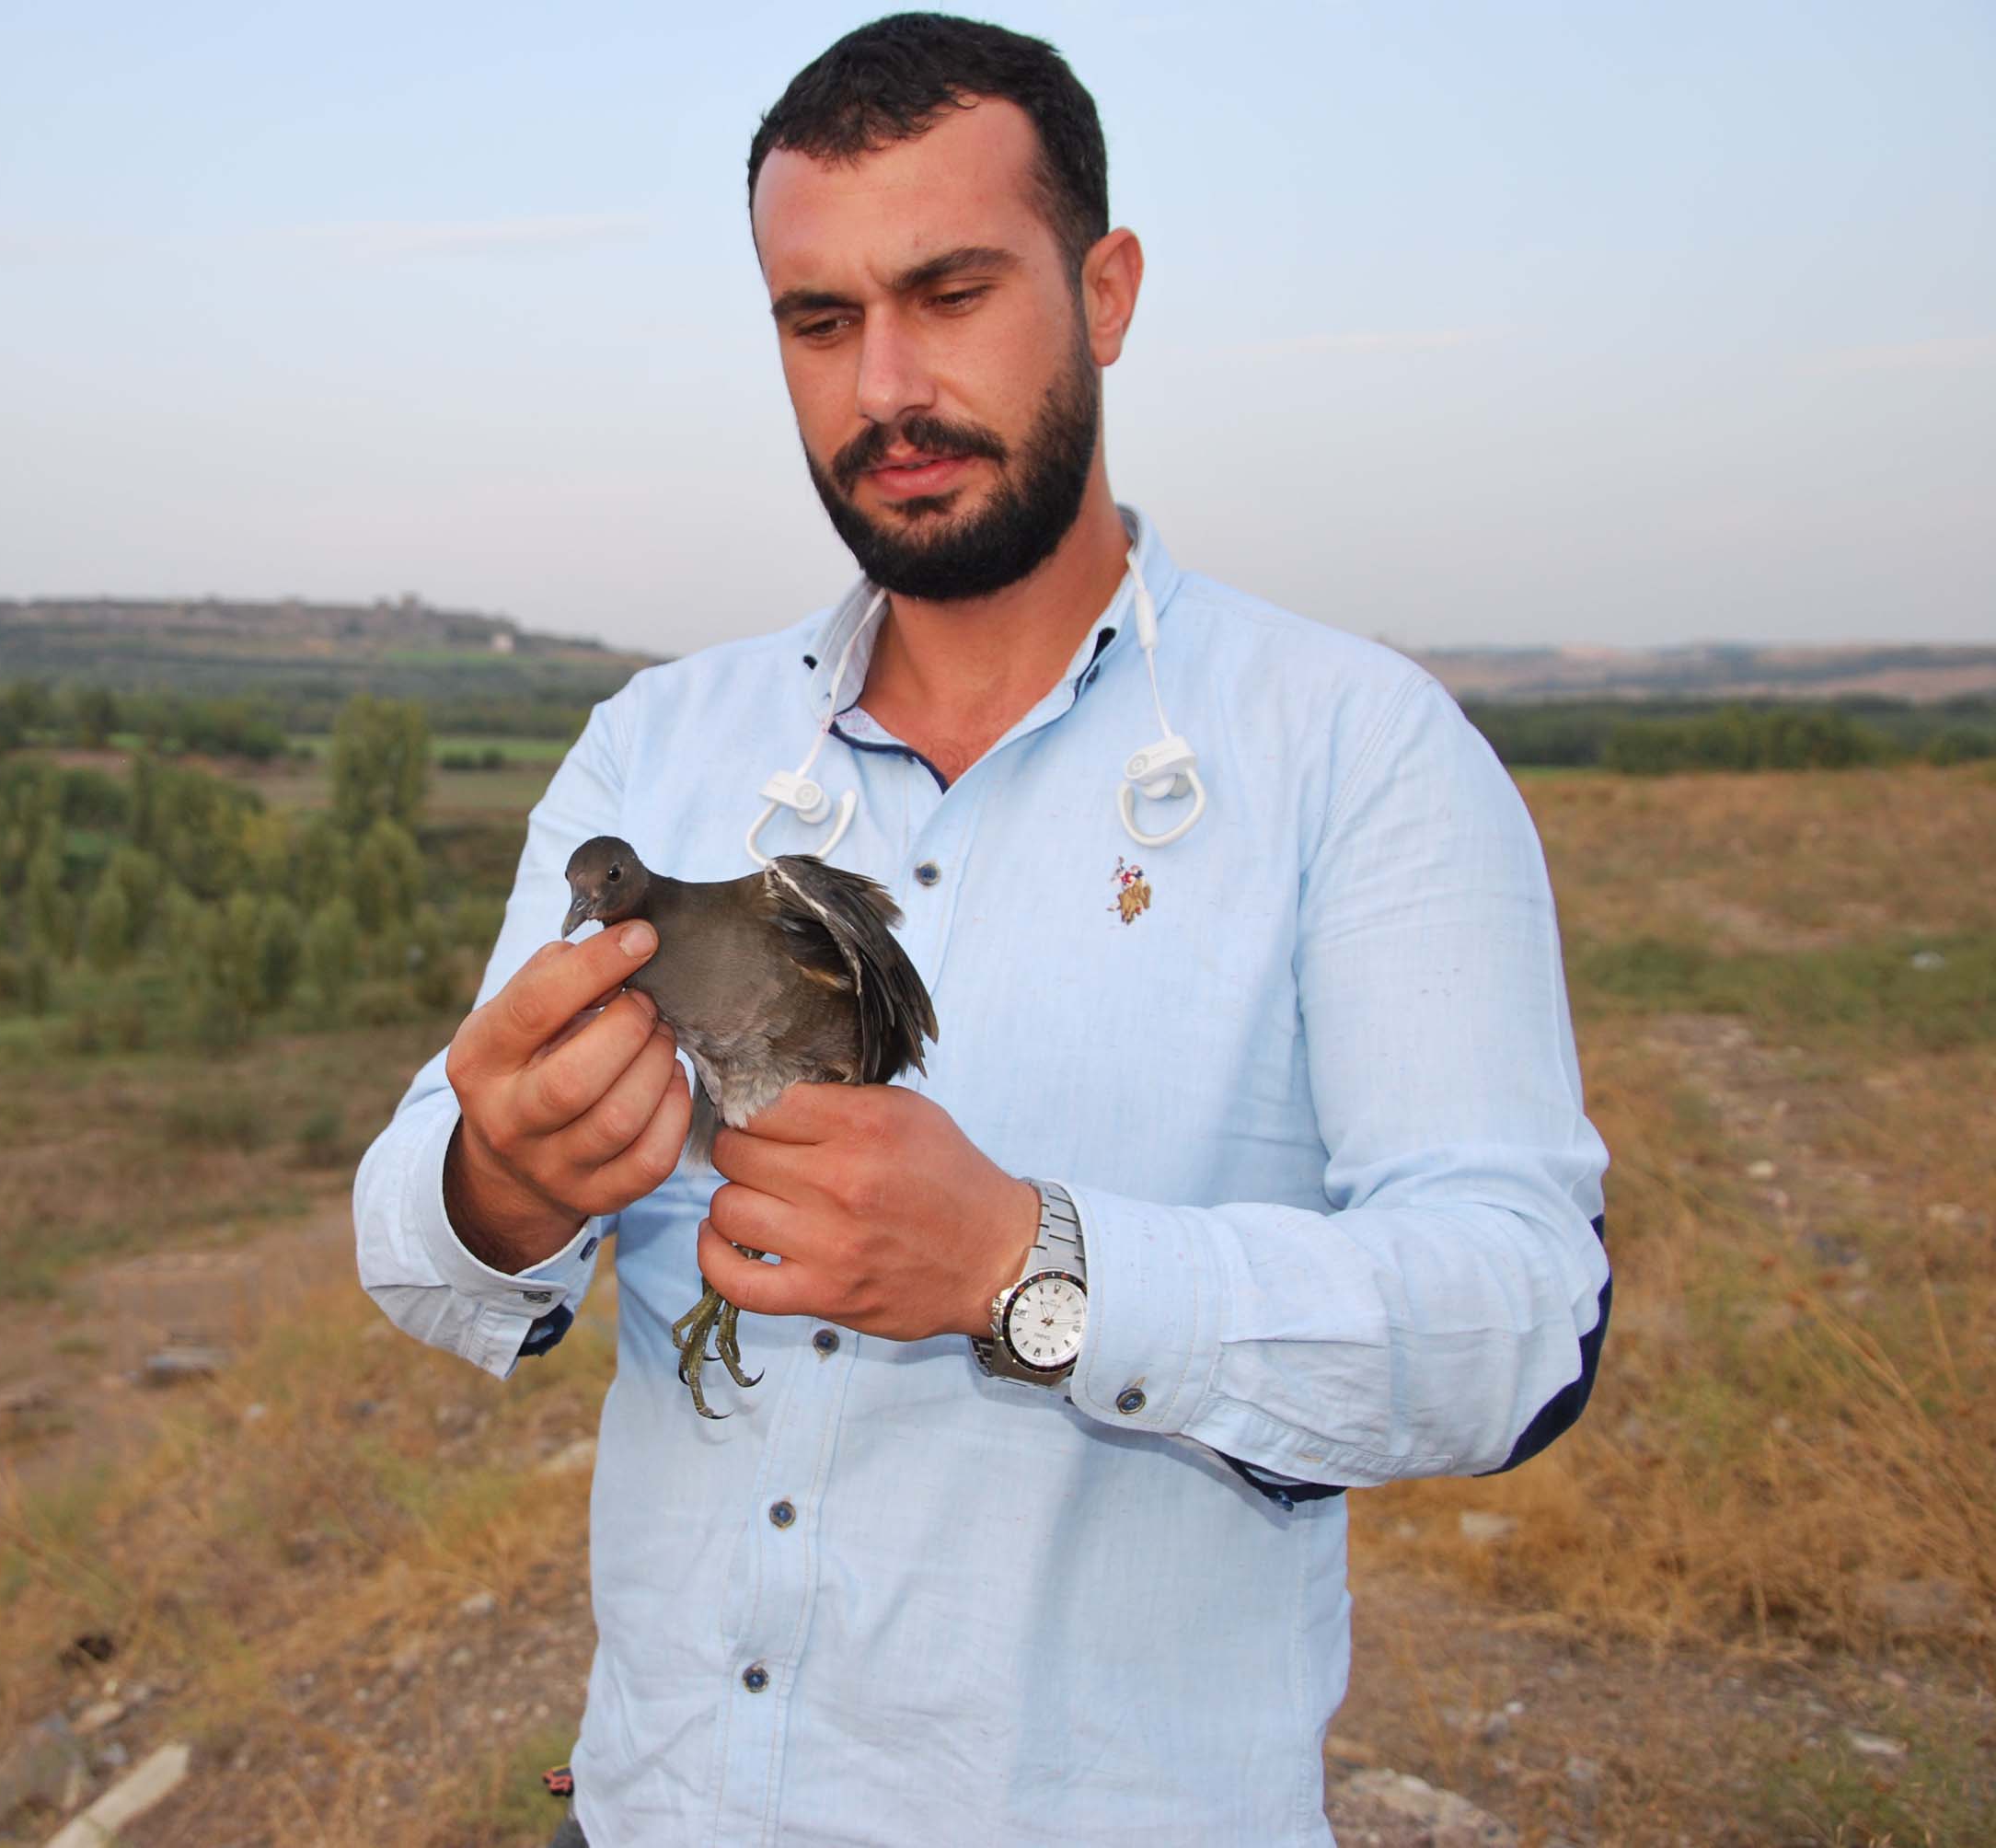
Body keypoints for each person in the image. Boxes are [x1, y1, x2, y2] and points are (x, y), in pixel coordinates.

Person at [353, 14, 1610, 1844]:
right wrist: (502, 1179)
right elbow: (420, 1247)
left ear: (1105, 292)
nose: (886, 387)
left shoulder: (1357, 751)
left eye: (951, 291)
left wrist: (1037, 1261)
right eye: (819, 319)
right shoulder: (657, 748)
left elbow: (1522, 1322)